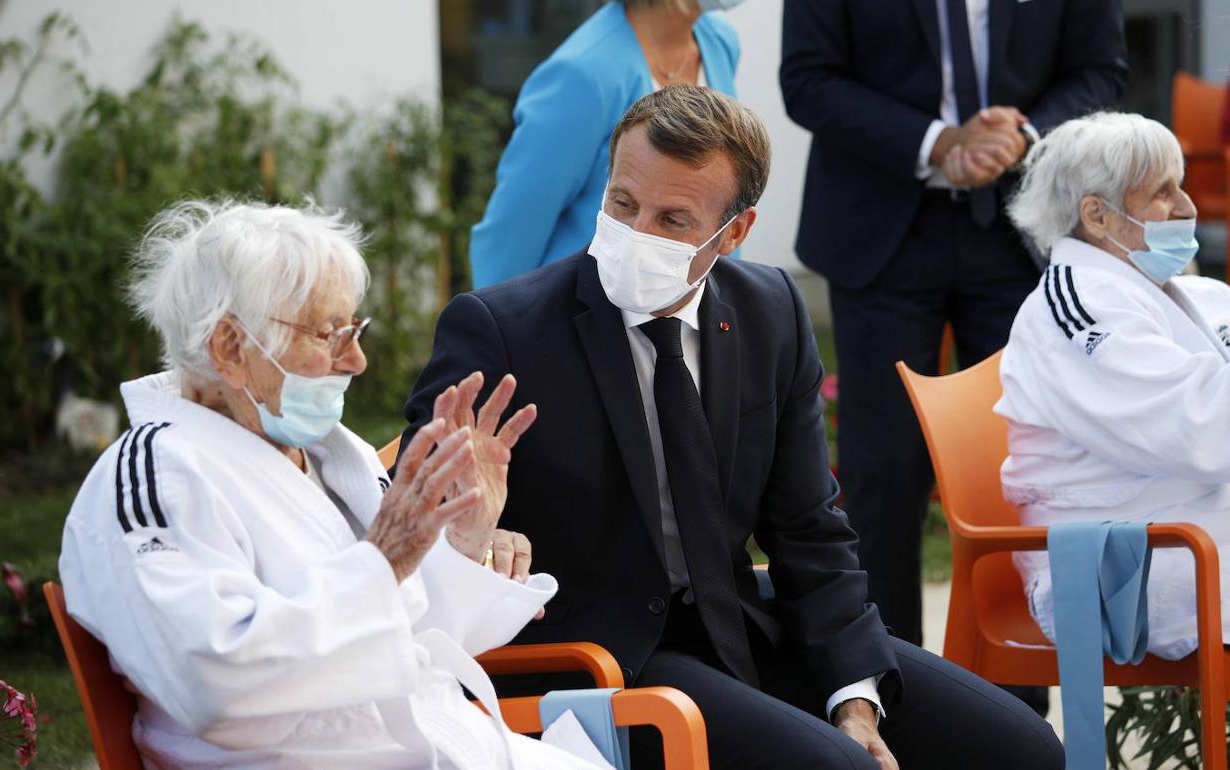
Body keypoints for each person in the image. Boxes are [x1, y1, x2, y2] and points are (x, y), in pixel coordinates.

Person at [404, 85, 1063, 770]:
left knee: (1023, 748)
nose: (636, 235)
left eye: (673, 220)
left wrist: (852, 697)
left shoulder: (769, 310)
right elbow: (406, 507)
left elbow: (810, 527)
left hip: (742, 623)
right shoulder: (502, 329)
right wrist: (467, 532)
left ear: (735, 232)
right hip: (601, 655)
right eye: (622, 204)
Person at [57, 200, 608, 769]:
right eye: (329, 334)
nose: (358, 360)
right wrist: (383, 559)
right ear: (230, 347)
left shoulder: (324, 454)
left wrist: (464, 539)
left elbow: (407, 636)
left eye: (354, 329)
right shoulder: (159, 473)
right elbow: (219, 688)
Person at [779, 0, 1128, 648]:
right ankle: (886, 687)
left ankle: (1014, 705)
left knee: (1023, 467)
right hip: (880, 226)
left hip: (1020, 227)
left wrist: (1021, 136)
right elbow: (808, 80)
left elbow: (1099, 71)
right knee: (883, 471)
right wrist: (939, 141)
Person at [997, 112, 1230, 660]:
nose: (1187, 207)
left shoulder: (1192, 291)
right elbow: (1201, 429)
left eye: (1182, 184)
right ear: (1097, 215)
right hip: (1122, 563)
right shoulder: (1075, 309)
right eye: (1162, 192)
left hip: (1189, 531)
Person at [469, 0, 741, 289]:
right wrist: (497, 326)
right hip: (590, 310)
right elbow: (513, 229)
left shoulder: (717, 41)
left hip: (687, 303)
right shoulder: (581, 73)